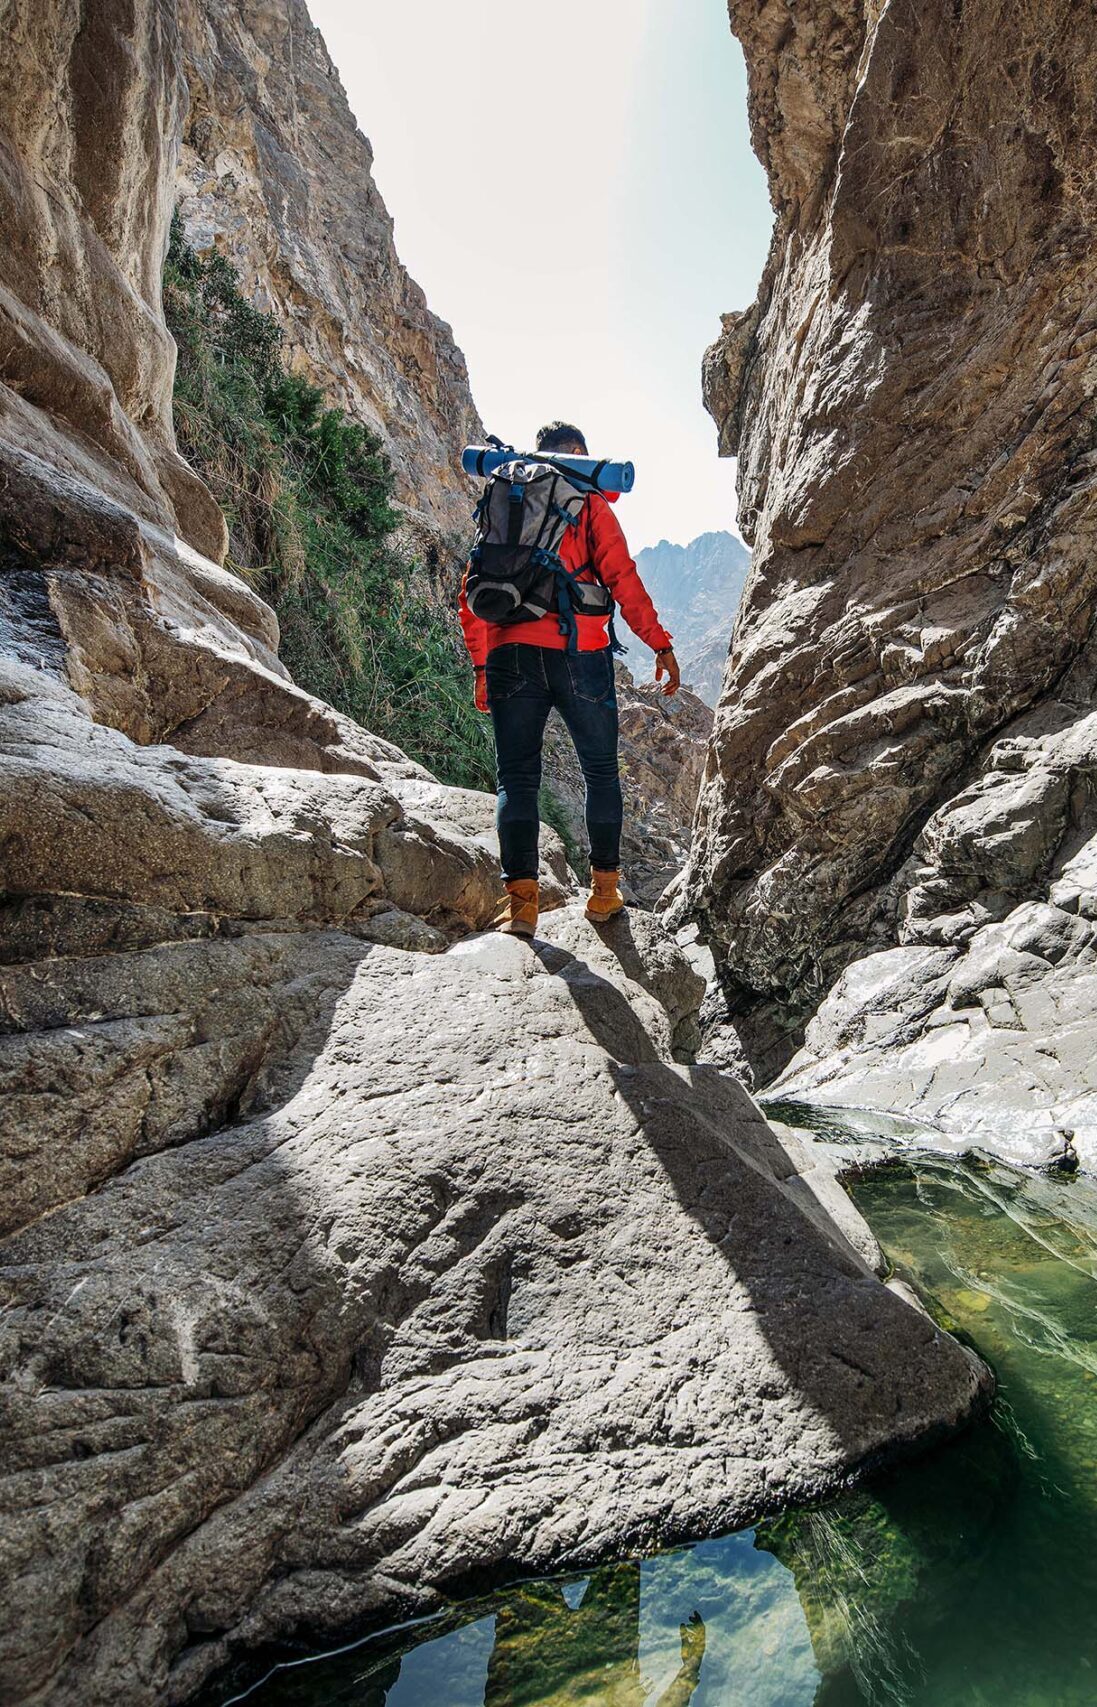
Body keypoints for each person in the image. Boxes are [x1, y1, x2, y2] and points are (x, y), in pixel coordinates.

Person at [459, 421, 680, 937]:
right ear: (579, 454)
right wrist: (660, 644)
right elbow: (623, 578)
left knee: (517, 778)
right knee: (601, 772)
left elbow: (473, 590)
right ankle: (604, 894)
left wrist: (481, 666)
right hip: (581, 653)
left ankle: (522, 908)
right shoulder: (587, 501)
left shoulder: (505, 499)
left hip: (510, 654)